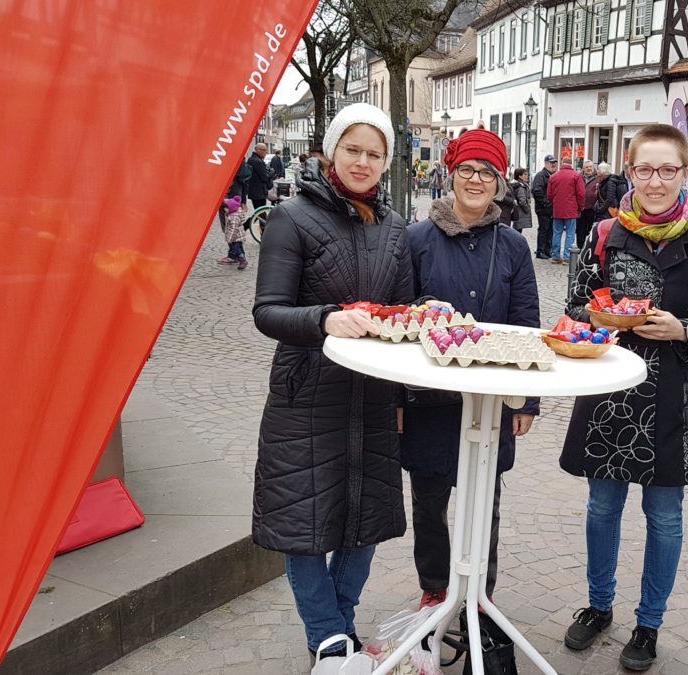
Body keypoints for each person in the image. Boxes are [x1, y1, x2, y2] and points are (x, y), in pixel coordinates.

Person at [560, 123, 688, 671]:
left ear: (685, 173)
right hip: (608, 392)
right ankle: (598, 606)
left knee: (664, 517)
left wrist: (682, 330)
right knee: (601, 508)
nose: (655, 181)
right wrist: (608, 318)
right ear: (629, 172)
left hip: (672, 400)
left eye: (668, 170)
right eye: (644, 169)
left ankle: (649, 623)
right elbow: (575, 304)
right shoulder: (604, 235)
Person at [251, 103, 413, 669]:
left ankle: (338, 635)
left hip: (372, 394)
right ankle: (328, 637)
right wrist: (324, 318)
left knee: (363, 519)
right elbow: (267, 312)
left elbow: (403, 310)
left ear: (387, 161)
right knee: (303, 523)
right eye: (353, 149)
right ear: (331, 151)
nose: (363, 162)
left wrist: (426, 314)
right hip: (306, 393)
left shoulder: (395, 229)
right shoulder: (291, 218)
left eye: (375, 153)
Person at [402, 129, 541, 610]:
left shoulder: (513, 246)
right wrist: (398, 399)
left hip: (490, 400)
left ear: (499, 182)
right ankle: (435, 587)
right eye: (467, 170)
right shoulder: (417, 238)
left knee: (487, 502)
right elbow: (400, 319)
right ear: (451, 173)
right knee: (429, 500)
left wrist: (528, 401)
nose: (476, 179)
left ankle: (481, 590)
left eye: (487, 172)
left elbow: (528, 327)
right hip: (430, 399)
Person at [547, 158, 585, 264]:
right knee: (570, 233)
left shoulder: (553, 177)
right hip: (571, 209)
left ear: (561, 163)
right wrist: (581, 207)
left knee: (557, 233)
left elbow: (549, 195)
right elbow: (581, 193)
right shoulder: (576, 176)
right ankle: (567, 257)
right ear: (571, 164)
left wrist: (555, 202)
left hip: (557, 209)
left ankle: (555, 256)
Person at [531, 154, 558, 259]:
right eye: (552, 163)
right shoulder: (541, 176)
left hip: (551, 209)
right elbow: (537, 191)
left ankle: (547, 250)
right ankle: (540, 251)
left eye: (554, 163)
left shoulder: (553, 175)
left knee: (550, 231)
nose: (554, 165)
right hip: (543, 209)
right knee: (543, 230)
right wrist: (546, 203)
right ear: (546, 163)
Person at [216, 195, 249, 270]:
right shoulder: (232, 214)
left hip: (236, 237)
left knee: (236, 249)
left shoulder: (234, 217)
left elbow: (233, 229)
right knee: (240, 247)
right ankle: (241, 258)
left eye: (226, 208)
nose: (224, 209)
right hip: (238, 236)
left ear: (231, 208)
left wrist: (230, 239)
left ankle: (242, 260)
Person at [577, 160, 603, 247]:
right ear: (583, 169)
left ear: (593, 167)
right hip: (581, 208)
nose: (589, 168)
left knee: (592, 230)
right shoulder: (579, 177)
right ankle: (580, 248)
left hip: (593, 208)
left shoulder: (599, 178)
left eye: (590, 166)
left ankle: (590, 248)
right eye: (587, 167)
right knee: (580, 230)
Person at [246, 142, 272, 210]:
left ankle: (251, 221)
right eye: (265, 150)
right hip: (259, 192)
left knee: (258, 212)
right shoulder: (258, 162)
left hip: (254, 191)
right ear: (259, 150)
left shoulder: (251, 159)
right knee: (261, 212)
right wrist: (272, 173)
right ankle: (249, 221)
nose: (266, 153)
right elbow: (264, 178)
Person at [510, 168, 534, 232]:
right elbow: (522, 201)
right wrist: (527, 209)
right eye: (525, 174)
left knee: (517, 229)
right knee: (517, 230)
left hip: (517, 212)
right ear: (520, 176)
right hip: (519, 212)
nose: (527, 176)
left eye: (527, 174)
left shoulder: (521, 185)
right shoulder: (520, 187)